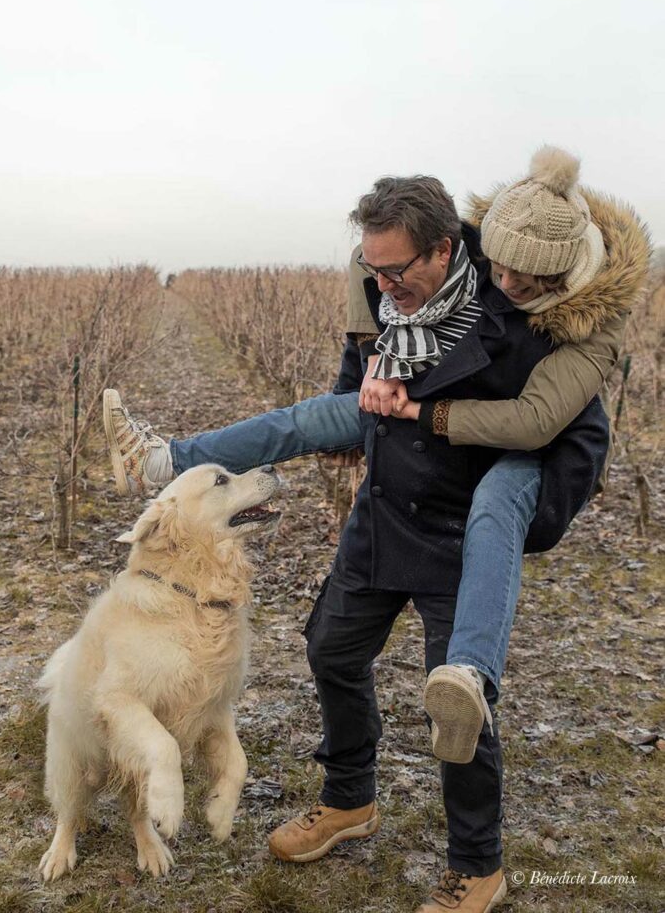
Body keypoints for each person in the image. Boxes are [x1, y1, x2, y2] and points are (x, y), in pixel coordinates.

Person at [104, 149, 647, 912]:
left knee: (456, 700)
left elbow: (564, 432)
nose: (384, 284)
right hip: (386, 511)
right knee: (331, 647)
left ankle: (476, 863)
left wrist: (533, 506)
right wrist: (346, 413)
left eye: (400, 271)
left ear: (445, 249)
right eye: (374, 268)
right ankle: (351, 798)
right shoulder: (379, 283)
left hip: (466, 527)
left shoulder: (533, 307)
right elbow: (354, 376)